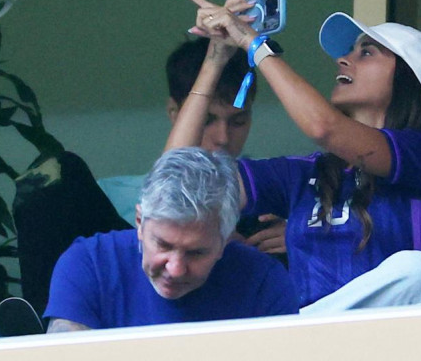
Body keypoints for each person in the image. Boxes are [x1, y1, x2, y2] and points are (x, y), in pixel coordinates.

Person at [169, 0, 421, 312]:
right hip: (309, 336)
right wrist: (215, 57)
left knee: (420, 271)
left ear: (408, 79)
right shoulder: (303, 172)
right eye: (349, 52)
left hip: (387, 334)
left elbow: (324, 128)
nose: (343, 59)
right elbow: (177, 181)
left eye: (367, 53)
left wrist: (254, 44)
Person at [43, 147, 298, 332]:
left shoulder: (264, 281)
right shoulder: (88, 264)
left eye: (196, 252)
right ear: (140, 223)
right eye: (163, 245)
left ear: (225, 240)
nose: (175, 269)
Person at [97, 37, 287, 260]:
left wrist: (303, 237)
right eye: (207, 120)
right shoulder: (110, 199)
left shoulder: (277, 194)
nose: (223, 138)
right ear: (174, 113)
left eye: (238, 122)